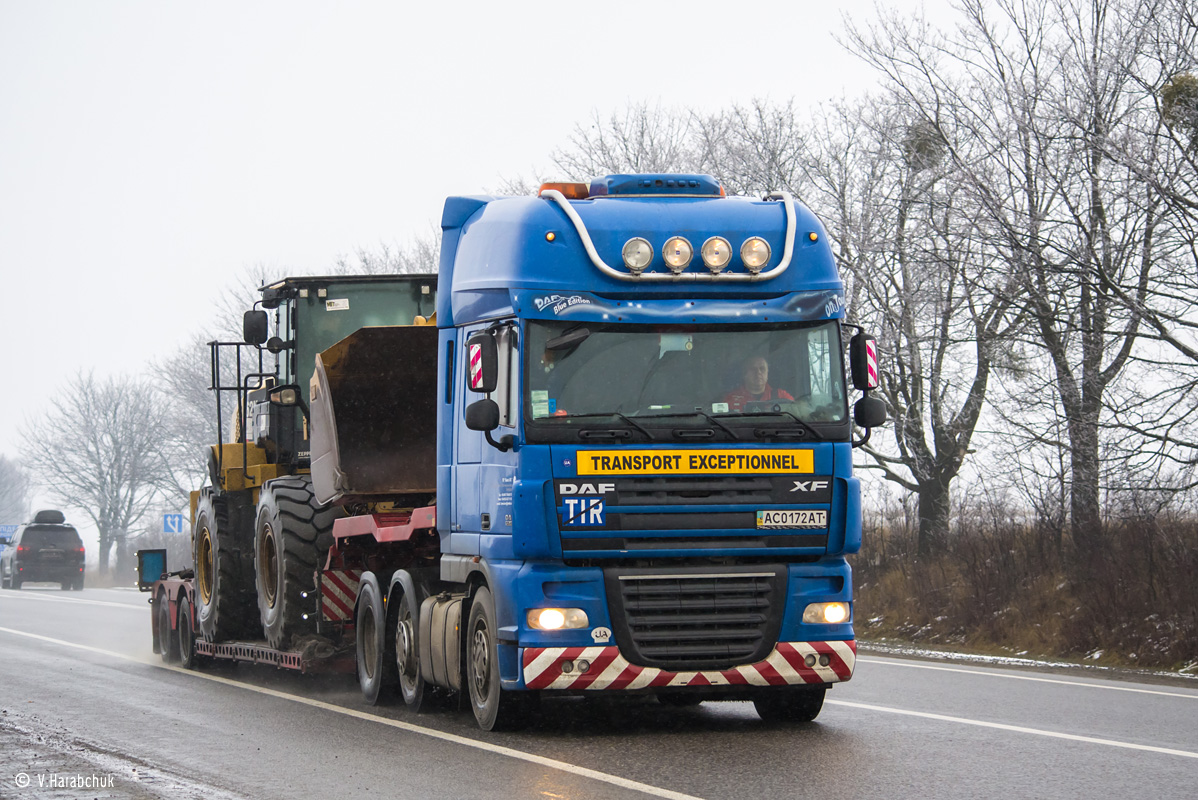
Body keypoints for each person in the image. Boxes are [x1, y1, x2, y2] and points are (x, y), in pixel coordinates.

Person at [722, 355, 793, 412]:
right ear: (744, 374)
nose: (758, 372)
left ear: (767, 373)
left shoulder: (781, 396)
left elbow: (796, 412)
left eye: (762, 369)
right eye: (753, 369)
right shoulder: (731, 399)